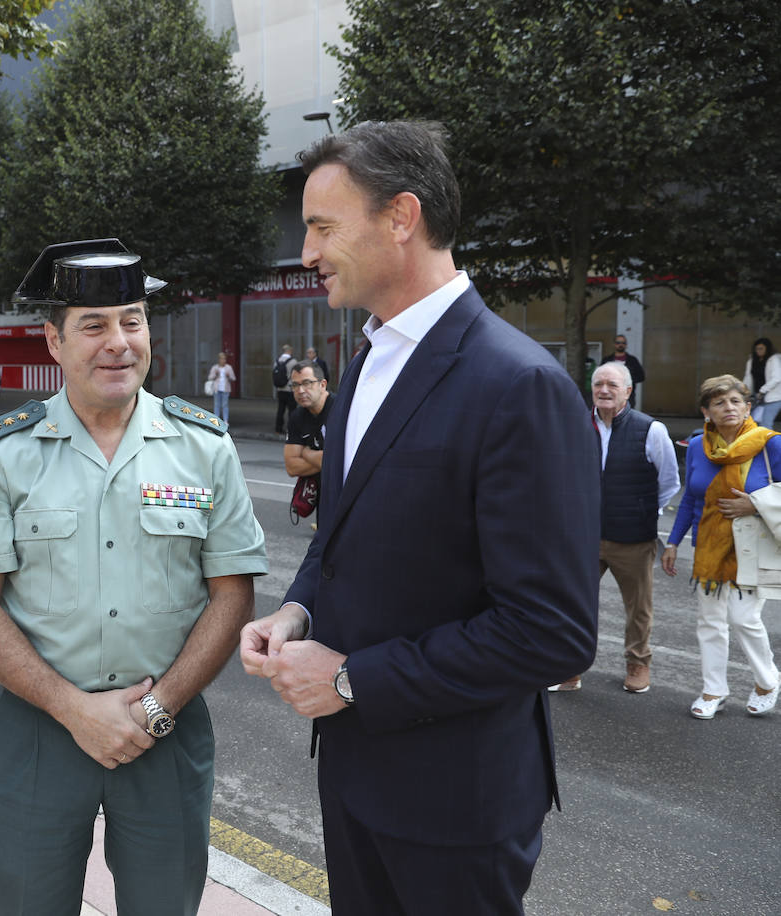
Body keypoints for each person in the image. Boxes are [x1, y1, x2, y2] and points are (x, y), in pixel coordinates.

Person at [239, 121, 599, 915]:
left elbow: (552, 632)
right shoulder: (368, 359)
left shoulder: (518, 385)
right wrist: (300, 609)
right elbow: (343, 533)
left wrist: (347, 679)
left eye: (323, 227)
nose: (306, 252)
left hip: (455, 807)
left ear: (401, 217)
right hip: (355, 778)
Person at [0, 238, 267, 915]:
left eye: (132, 320)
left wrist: (154, 711)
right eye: (94, 325)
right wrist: (74, 709)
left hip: (167, 729)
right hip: (40, 732)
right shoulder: (2, 451)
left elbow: (231, 592)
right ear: (53, 342)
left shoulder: (204, 447)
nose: (118, 342)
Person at [550, 362, 678, 694]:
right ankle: (571, 668)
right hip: (585, 536)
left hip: (632, 538)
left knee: (638, 607)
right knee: (574, 602)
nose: (603, 390)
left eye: (612, 385)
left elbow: (668, 482)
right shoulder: (577, 425)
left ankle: (638, 663)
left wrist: (641, 511)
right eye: (598, 385)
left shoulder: (650, 430)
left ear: (628, 391)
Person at [662, 374, 780, 720]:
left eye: (734, 401)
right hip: (707, 546)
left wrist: (755, 505)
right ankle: (713, 689)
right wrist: (672, 541)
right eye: (718, 402)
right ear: (706, 411)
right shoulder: (699, 446)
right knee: (710, 621)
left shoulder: (770, 444)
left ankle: (767, 680)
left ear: (747, 407)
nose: (728, 407)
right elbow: (689, 500)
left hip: (752, 545)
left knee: (744, 619)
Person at [283, 362, 332, 484]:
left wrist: (306, 453)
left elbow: (341, 461)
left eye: (307, 383)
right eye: (295, 385)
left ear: (322, 385)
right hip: (312, 497)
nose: (300, 390)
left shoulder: (341, 411)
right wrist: (324, 460)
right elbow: (291, 467)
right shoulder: (297, 416)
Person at [744, 337, 781, 428]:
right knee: (752, 423)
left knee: (766, 424)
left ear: (767, 349)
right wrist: (744, 391)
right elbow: (748, 377)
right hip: (757, 397)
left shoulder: (773, 359)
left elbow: (777, 378)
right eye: (757, 349)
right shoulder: (752, 360)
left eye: (761, 348)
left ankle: (770, 442)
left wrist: (762, 391)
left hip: (774, 397)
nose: (758, 351)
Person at [601, 334, 645, 408]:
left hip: (627, 396)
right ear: (614, 344)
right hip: (609, 394)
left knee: (627, 417)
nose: (620, 345)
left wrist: (626, 380)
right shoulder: (607, 360)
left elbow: (641, 376)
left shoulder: (632, 360)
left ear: (626, 345)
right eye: (618, 343)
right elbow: (600, 376)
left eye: (623, 343)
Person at [273, 343, 297, 434]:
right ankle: (291, 429)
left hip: (280, 389)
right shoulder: (293, 361)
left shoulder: (277, 361)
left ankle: (278, 429)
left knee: (280, 409)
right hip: (290, 389)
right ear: (290, 351)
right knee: (292, 410)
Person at [207, 350, 236, 422]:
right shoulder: (215, 368)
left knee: (224, 405)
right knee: (217, 405)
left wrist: (229, 376)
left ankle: (225, 420)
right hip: (217, 389)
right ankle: (216, 420)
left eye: (224, 359)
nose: (223, 360)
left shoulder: (228, 368)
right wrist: (215, 375)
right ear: (219, 359)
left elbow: (233, 378)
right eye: (222, 359)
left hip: (225, 389)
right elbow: (210, 378)